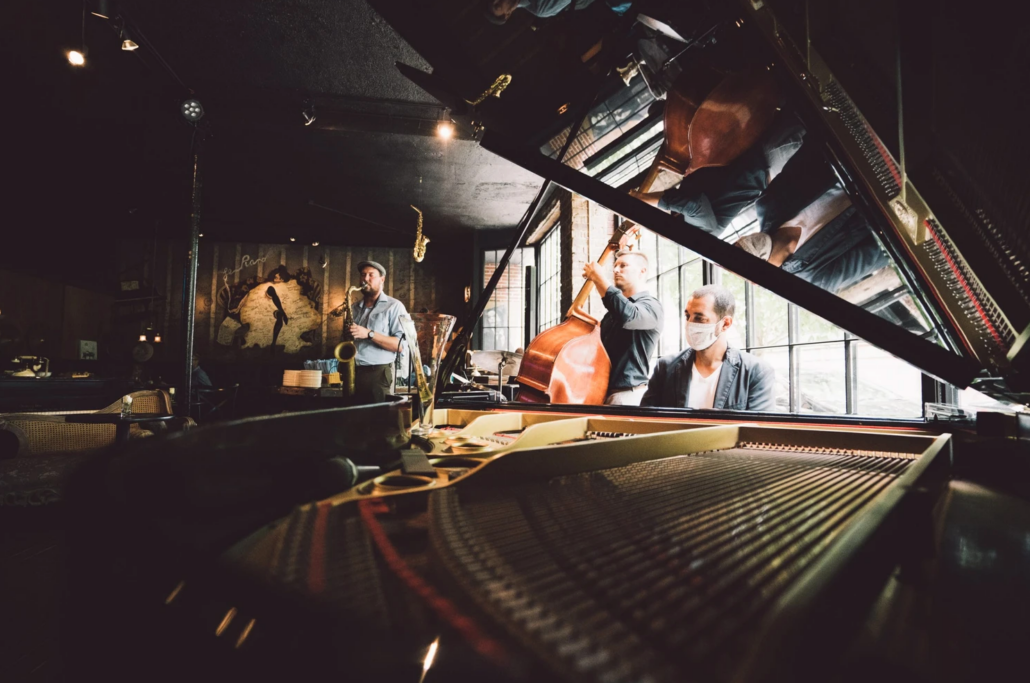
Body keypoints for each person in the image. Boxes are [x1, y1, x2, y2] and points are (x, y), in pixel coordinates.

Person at [642, 284, 775, 410]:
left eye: (699, 318)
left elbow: (758, 430)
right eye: (687, 316)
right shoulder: (666, 367)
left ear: (725, 324)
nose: (689, 324)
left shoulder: (755, 372)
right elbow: (645, 421)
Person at [583, 250, 663, 405]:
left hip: (627, 396)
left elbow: (629, 316)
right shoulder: (611, 315)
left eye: (623, 265)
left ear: (642, 271)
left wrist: (599, 278)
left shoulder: (652, 306)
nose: (616, 270)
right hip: (601, 394)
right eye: (615, 266)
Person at [347, 260, 409, 404]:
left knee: (381, 422)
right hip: (353, 372)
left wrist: (369, 334)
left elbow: (400, 345)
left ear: (382, 279)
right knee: (356, 423)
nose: (365, 279)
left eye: (371, 275)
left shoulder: (394, 306)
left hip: (378, 374)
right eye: (363, 275)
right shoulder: (354, 308)